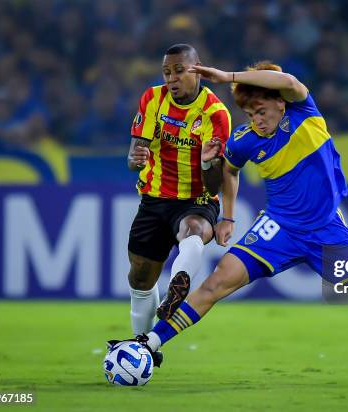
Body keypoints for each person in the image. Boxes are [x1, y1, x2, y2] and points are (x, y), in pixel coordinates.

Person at [112, 61, 348, 386]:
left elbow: (286, 79)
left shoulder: (304, 111)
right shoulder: (243, 140)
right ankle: (149, 343)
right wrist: (227, 213)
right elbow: (230, 173)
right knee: (217, 282)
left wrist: (228, 77)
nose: (256, 118)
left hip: (327, 233)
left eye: (261, 108)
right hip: (278, 228)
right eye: (250, 112)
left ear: (280, 101)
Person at [126, 44, 231, 366]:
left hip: (196, 197)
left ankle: (178, 287)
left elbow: (216, 183)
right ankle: (145, 347)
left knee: (195, 230)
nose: (172, 79)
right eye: (166, 72)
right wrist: (134, 158)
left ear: (197, 69)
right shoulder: (152, 98)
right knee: (140, 278)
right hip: (155, 198)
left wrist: (206, 165)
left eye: (179, 71)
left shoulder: (216, 114)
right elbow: (135, 154)